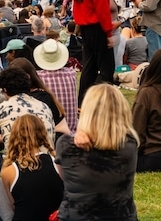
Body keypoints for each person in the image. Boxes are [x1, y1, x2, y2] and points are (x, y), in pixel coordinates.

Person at [58, 84, 139, 221]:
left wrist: (79, 132)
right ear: (123, 111)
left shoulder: (66, 145)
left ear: (87, 111)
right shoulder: (130, 145)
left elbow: (63, 177)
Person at [0, 66, 55, 175]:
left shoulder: (1, 109)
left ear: (5, 89)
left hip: (17, 168)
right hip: (46, 162)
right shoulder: (44, 106)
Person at [0, 114, 63, 221]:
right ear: (42, 134)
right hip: (54, 217)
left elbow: (13, 206)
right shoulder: (56, 162)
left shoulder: (8, 170)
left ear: (14, 136)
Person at [71, 0, 115, 105]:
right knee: (106, 68)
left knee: (88, 67)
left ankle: (82, 102)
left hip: (85, 29)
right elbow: (103, 11)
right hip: (97, 28)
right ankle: (104, 102)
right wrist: (108, 34)